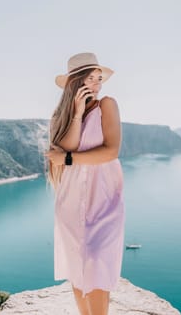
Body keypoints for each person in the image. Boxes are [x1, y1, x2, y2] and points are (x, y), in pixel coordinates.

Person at [44, 52, 125, 315]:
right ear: (76, 82)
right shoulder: (66, 115)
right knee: (77, 266)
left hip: (103, 200)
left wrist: (67, 159)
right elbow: (67, 144)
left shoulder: (107, 105)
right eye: (91, 78)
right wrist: (77, 113)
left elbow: (110, 152)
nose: (97, 84)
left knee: (98, 261)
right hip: (70, 201)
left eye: (99, 79)